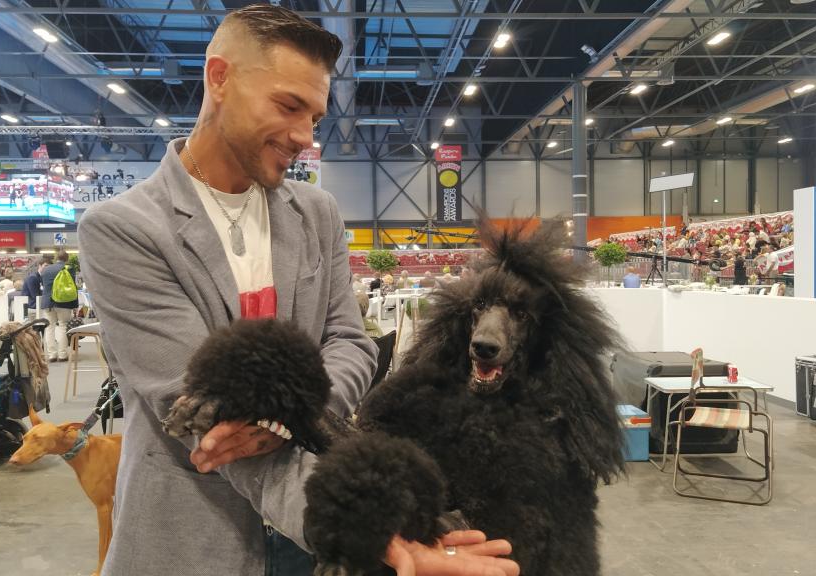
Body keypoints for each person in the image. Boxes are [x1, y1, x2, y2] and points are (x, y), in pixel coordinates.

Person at [77, 6, 517, 576]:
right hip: (194, 537)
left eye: (314, 116)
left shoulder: (317, 213)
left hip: (310, 551)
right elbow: (203, 421)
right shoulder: (124, 229)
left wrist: (290, 420)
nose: (305, 137)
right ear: (219, 78)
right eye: (288, 107)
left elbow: (352, 344)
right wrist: (360, 524)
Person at [40, 249, 78, 362]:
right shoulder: (69, 269)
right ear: (67, 259)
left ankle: (52, 355)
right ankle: (62, 354)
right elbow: (72, 287)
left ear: (56, 258)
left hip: (48, 302)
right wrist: (75, 304)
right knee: (63, 326)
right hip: (63, 302)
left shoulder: (46, 269)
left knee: (49, 327)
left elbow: (44, 286)